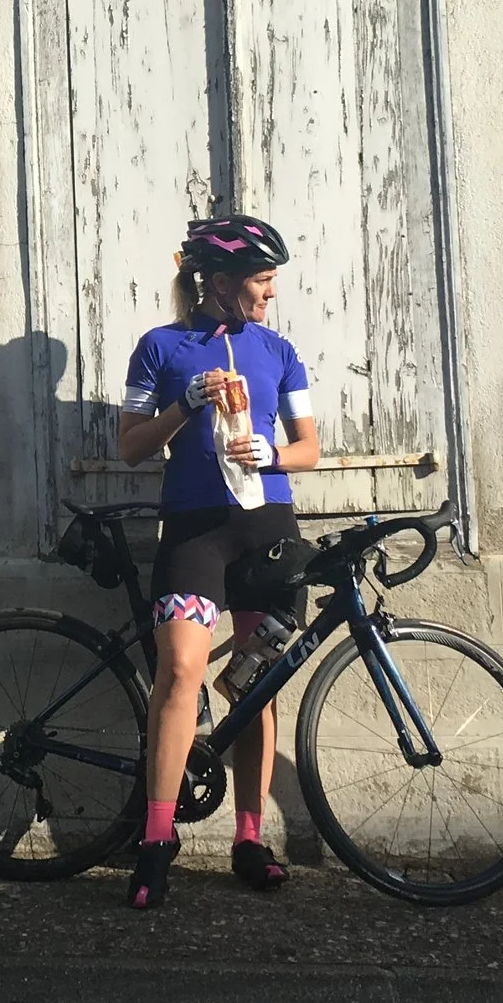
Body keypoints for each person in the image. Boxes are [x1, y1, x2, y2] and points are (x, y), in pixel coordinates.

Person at [117, 214, 319, 910]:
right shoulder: (160, 346)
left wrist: (273, 455)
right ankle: (156, 837)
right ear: (224, 282)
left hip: (267, 528)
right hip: (195, 530)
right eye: (262, 280)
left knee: (255, 685)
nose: (271, 292)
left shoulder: (279, 350)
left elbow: (310, 448)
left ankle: (250, 838)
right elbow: (131, 447)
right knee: (179, 672)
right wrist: (184, 404)